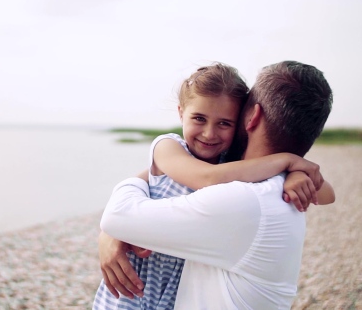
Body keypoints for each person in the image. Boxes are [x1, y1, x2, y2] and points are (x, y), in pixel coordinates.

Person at [93, 61, 335, 309]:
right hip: (139, 279)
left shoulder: (231, 164)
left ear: (248, 118)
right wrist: (287, 162)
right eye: (199, 118)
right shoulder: (169, 147)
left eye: (224, 123)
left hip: (169, 289)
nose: (209, 134)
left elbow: (327, 194)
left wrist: (294, 173)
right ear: (181, 113)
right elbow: (203, 178)